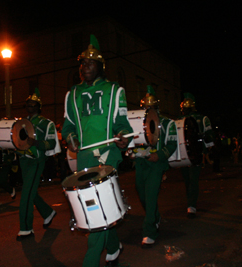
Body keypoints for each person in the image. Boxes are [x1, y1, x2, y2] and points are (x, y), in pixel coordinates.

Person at [61, 34, 133, 267]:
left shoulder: (114, 90)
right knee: (98, 206)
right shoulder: (71, 94)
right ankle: (113, 246)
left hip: (108, 154)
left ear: (101, 66)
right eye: (82, 63)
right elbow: (68, 125)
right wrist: (70, 138)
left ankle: (90, 261)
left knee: (95, 207)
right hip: (83, 156)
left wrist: (123, 138)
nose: (85, 67)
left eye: (90, 63)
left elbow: (122, 123)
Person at [127, 86, 177, 248]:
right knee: (141, 193)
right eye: (146, 107)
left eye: (151, 107)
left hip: (157, 164)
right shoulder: (137, 123)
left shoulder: (168, 123)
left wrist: (159, 155)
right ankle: (155, 215)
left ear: (156, 107)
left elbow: (172, 144)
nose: (148, 109)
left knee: (151, 195)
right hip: (141, 163)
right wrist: (131, 151)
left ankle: (149, 231)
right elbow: (133, 141)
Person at [15, 87, 60, 240]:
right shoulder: (22, 122)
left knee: (26, 194)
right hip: (23, 159)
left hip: (35, 161)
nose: (30, 107)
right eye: (28, 105)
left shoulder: (47, 123)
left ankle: (26, 228)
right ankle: (47, 212)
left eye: (33, 105)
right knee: (30, 192)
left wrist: (36, 143)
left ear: (39, 107)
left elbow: (52, 143)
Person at [179, 93, 214, 218]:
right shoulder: (179, 119)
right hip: (184, 152)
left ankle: (191, 205)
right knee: (188, 180)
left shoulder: (202, 118)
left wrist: (206, 149)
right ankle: (191, 203)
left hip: (195, 152)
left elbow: (208, 134)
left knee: (192, 179)